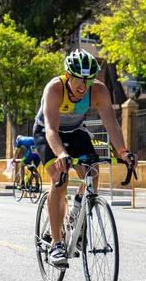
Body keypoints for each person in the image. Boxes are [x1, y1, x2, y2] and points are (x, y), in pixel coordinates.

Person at [33, 49, 135, 266]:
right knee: (60, 178)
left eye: (88, 80)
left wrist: (122, 151)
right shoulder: (54, 88)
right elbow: (51, 128)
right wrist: (61, 154)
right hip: (48, 132)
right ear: (68, 76)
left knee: (93, 172)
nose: (83, 86)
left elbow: (111, 124)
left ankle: (77, 210)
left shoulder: (98, 91)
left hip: (76, 131)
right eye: (79, 80)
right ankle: (56, 244)